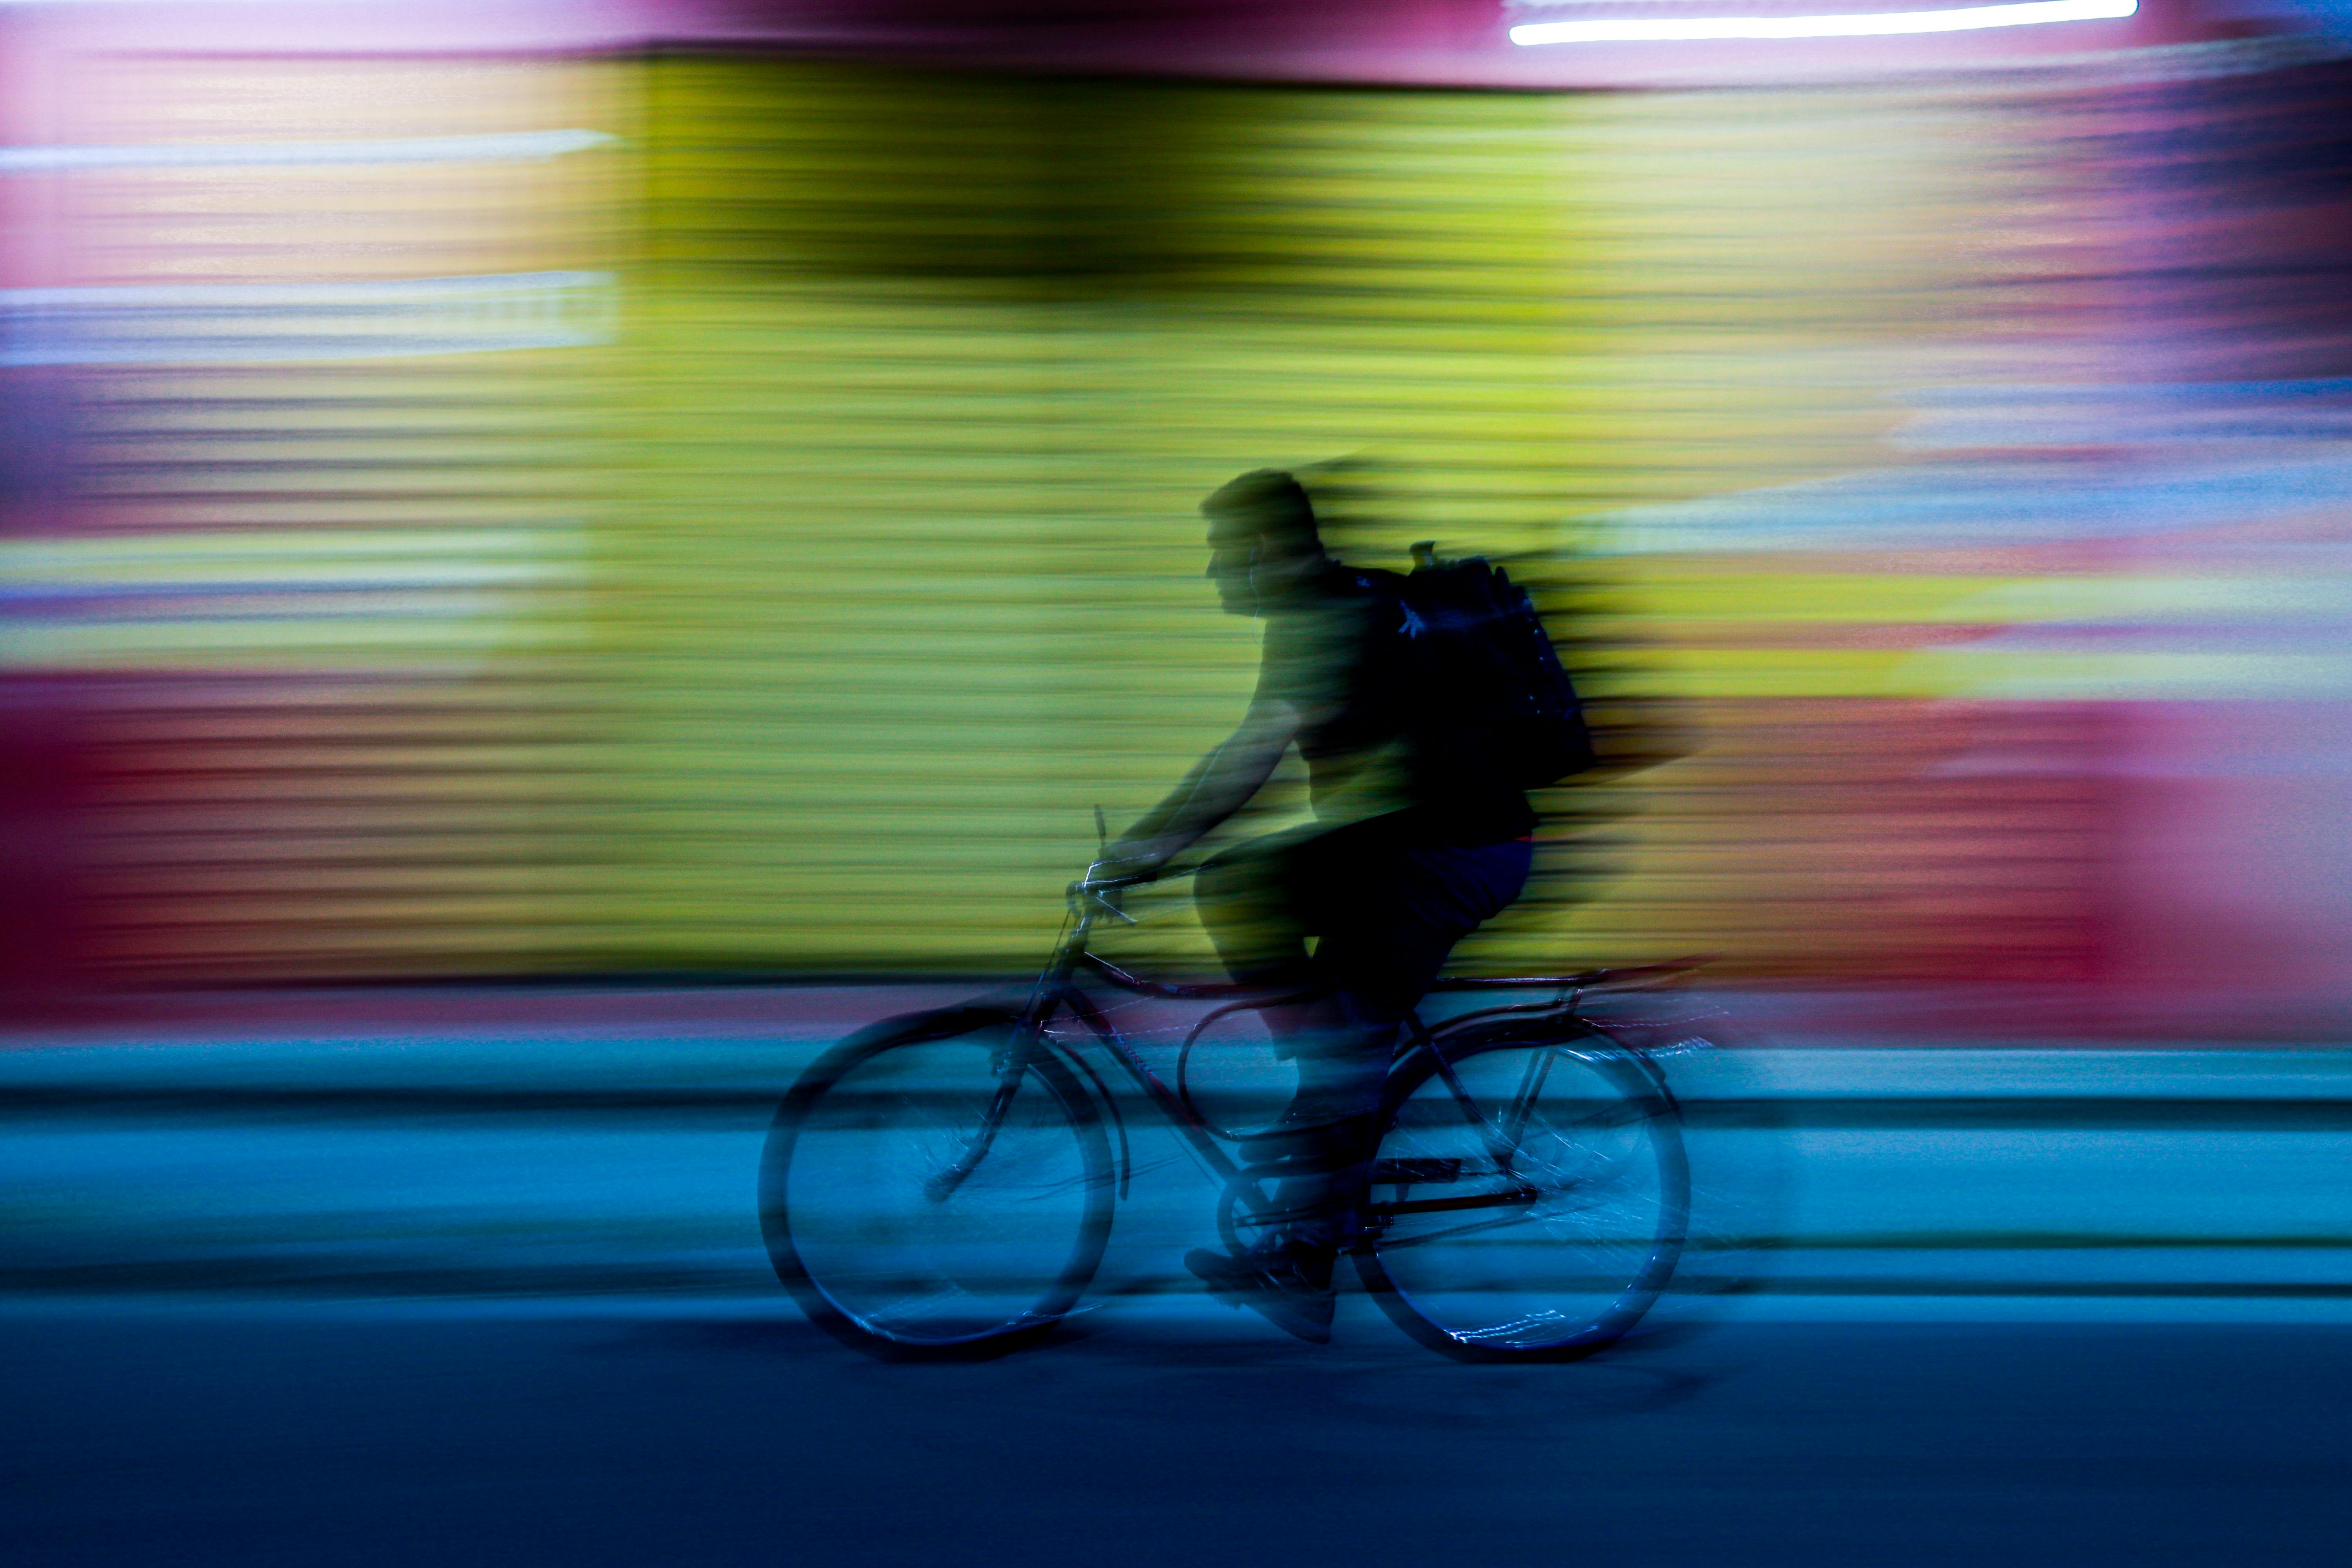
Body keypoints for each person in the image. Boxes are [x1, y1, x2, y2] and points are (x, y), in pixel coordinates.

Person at [1094, 469, 1537, 1343]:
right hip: (1425, 842)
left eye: (1222, 554)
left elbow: (1249, 761)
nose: (1213, 574)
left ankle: (1305, 1249)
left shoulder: (1328, 617)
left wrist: (1145, 847)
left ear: (1266, 551)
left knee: (1252, 905)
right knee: (1295, 948)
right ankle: (1328, 1101)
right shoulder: (1353, 600)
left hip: (1451, 852)